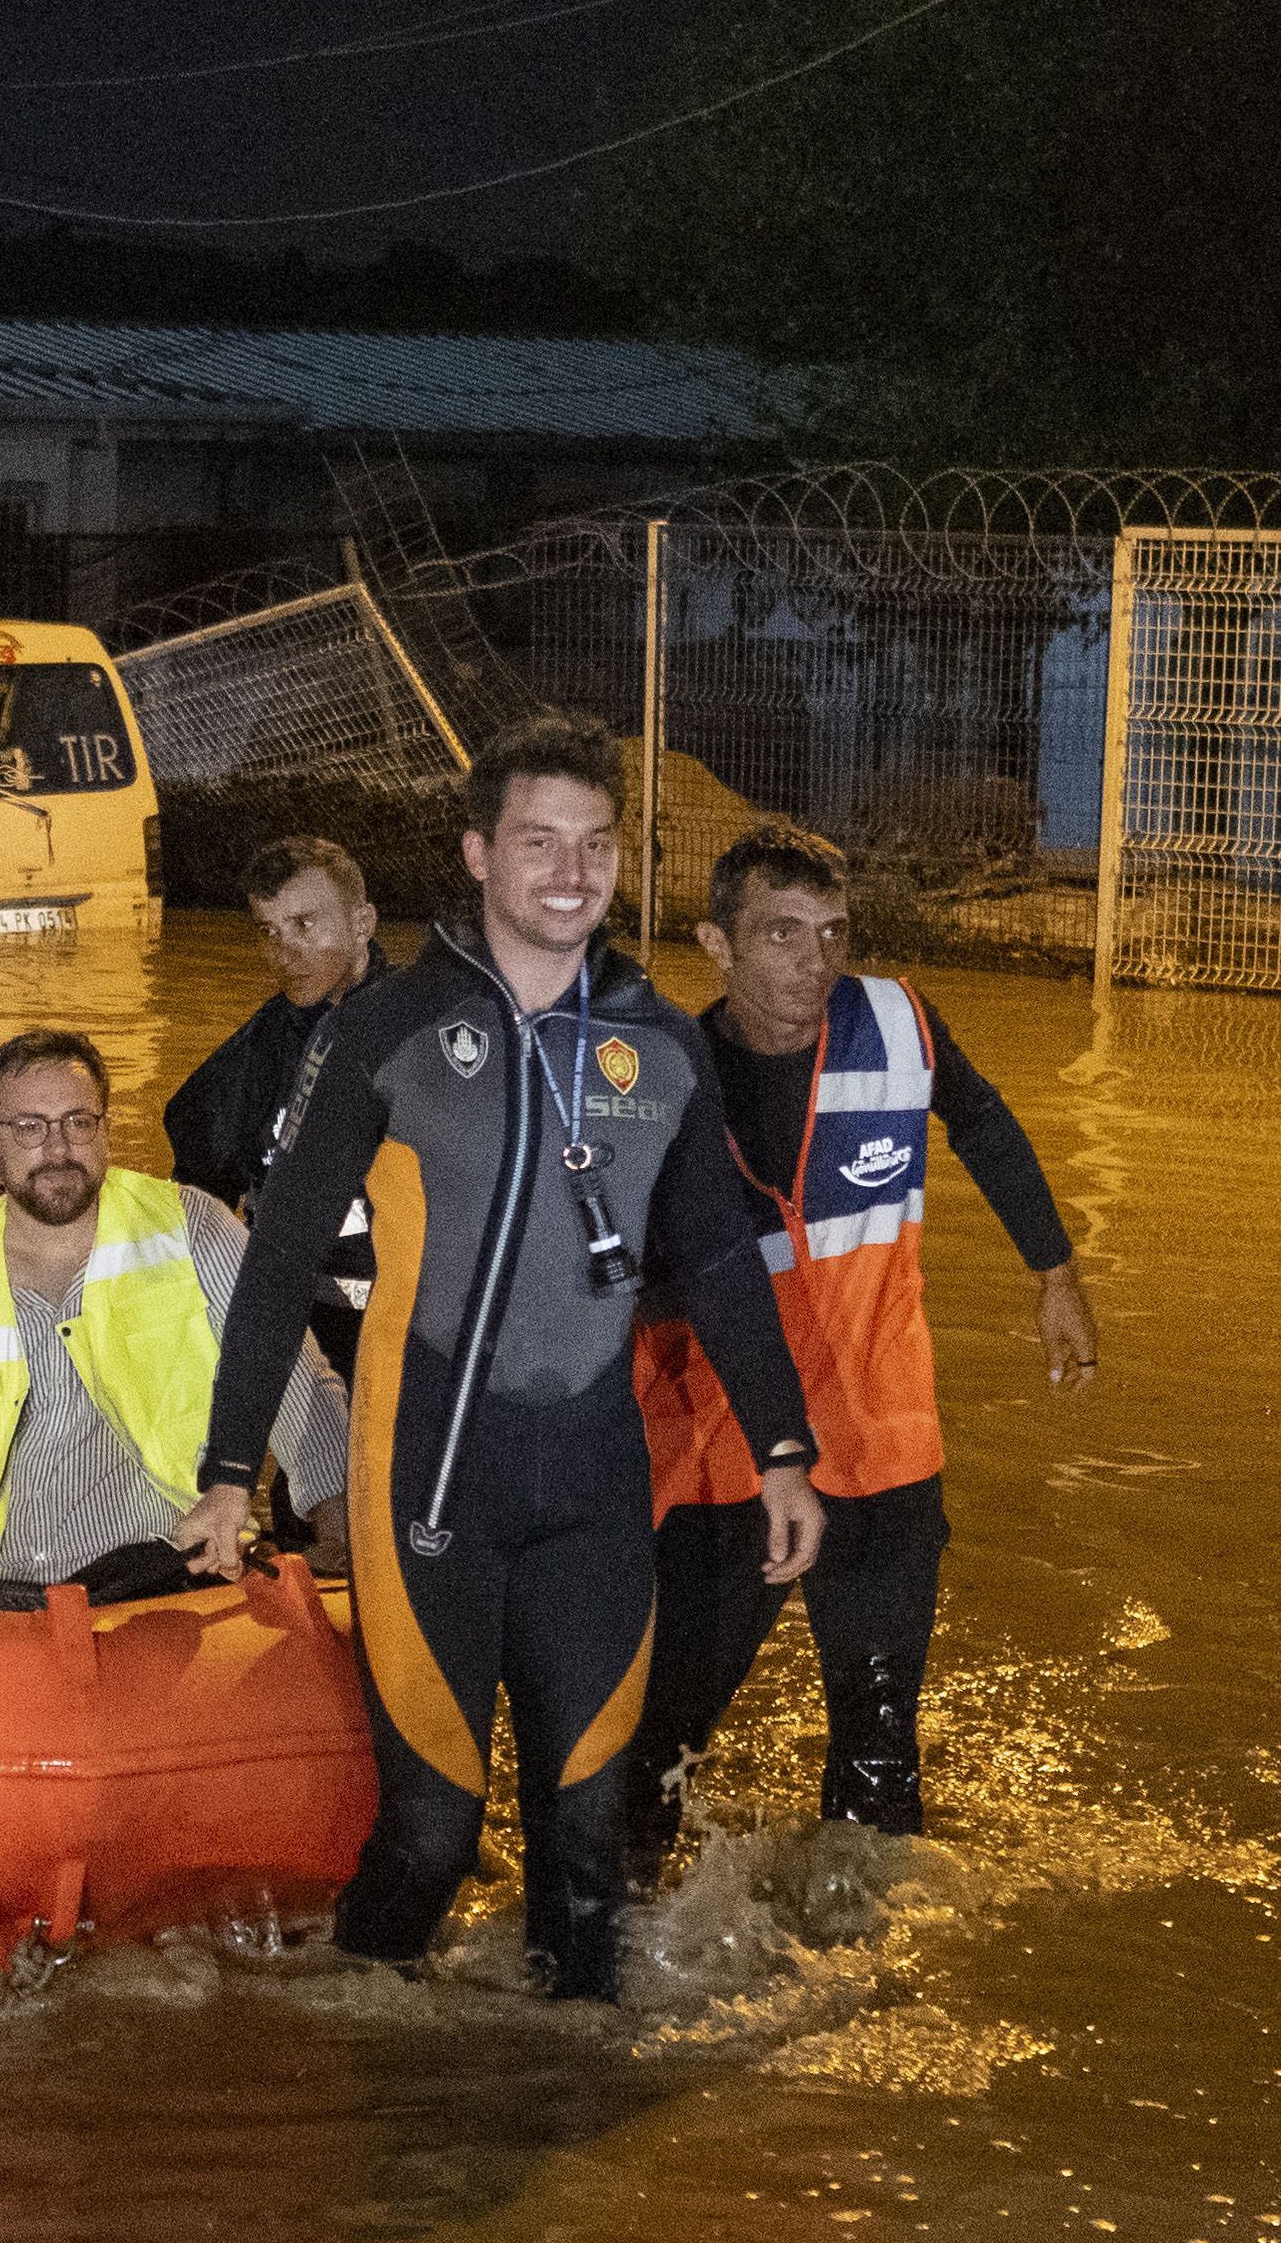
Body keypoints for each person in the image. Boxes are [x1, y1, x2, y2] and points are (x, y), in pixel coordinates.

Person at [174, 712, 826, 2004]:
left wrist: (782, 1451)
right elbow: (276, 1256)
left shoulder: (660, 1040)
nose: (569, 870)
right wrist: (224, 1465)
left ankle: (553, 2147)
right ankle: (352, 2081)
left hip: (590, 1488)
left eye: (592, 843)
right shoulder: (394, 1027)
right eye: (536, 840)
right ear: (477, 853)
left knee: (586, 1857)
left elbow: (713, 1261)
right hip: (427, 1485)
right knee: (429, 1832)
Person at [624, 823, 1102, 1878]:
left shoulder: (896, 1025)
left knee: (881, 1751)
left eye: (830, 931)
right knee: (653, 1749)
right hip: (722, 1459)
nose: (814, 960)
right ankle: (606, 1967)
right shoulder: (660, 1077)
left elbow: (978, 1118)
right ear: (714, 941)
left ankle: (866, 1987)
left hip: (880, 1442)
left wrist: (1052, 1273)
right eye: (781, 933)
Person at [0, 1031, 350, 1602]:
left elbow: (297, 1386)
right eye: (29, 1127)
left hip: (166, 1587)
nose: (57, 1149)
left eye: (78, 1122)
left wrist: (341, 1543)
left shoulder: (194, 1228)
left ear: (106, 1132)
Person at [165, 834, 392, 1381]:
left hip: (407, 1324)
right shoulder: (261, 1047)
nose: (282, 954)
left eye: (305, 925)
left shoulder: (430, 1037)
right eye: (268, 931)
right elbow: (196, 1187)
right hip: (300, 1324)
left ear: (363, 924)